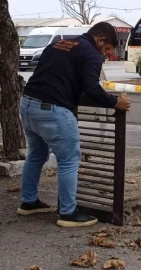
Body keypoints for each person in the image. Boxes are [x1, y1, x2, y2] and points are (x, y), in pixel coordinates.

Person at [17, 22, 131, 228]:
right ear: (100, 40)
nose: (106, 56)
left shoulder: (59, 44)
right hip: (53, 109)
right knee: (69, 160)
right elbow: (92, 88)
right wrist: (116, 102)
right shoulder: (91, 54)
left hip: (27, 105)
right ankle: (68, 213)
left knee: (36, 155)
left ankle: (29, 202)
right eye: (106, 50)